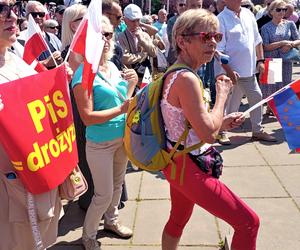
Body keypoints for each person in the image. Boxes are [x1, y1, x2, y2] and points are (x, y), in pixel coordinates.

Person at [160, 8, 260, 250]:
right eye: (205, 37)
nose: (213, 43)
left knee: (178, 218)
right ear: (182, 41)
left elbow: (189, 123)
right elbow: (208, 134)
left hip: (176, 158)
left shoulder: (177, 73)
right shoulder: (186, 79)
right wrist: (223, 96)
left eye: (217, 37)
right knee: (249, 223)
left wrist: (222, 122)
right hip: (188, 166)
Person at [71, 16, 138, 250]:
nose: (106, 39)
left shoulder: (112, 66)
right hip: (100, 143)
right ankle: (88, 236)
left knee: (118, 186)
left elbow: (124, 100)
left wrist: (132, 83)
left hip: (122, 139)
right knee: (103, 194)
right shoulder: (82, 75)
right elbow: (87, 117)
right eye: (100, 35)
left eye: (109, 34)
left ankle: (111, 222)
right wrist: (121, 109)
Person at [0, 1, 62, 249]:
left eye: (14, 8)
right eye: (1, 10)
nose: (12, 16)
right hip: (10, 187)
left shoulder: (17, 60)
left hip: (38, 176)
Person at [215, 0, 276, 145]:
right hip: (229, 72)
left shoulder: (248, 14)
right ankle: (221, 131)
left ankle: (257, 131)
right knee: (227, 103)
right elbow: (219, 51)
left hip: (248, 71)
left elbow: (257, 40)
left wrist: (260, 61)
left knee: (257, 97)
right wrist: (229, 71)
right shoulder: (220, 19)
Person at [260, 0, 300, 101]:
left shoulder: (290, 24)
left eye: (284, 9)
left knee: (285, 86)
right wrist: (282, 43)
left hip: (286, 60)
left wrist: (291, 45)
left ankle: (283, 112)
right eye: (279, 10)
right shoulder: (266, 27)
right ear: (271, 11)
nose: (282, 12)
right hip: (272, 59)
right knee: (272, 87)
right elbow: (265, 46)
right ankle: (271, 108)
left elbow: (298, 39)